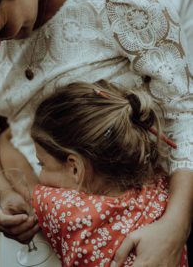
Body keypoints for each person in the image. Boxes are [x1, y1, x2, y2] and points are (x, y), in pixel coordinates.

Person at [0, 0, 192, 266]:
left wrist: (175, 227)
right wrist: (6, 193)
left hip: (139, 220)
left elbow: (185, 113)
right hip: (36, 222)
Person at [27, 80, 188, 266]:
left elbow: (34, 196)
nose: (41, 175)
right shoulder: (163, 186)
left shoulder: (62, 210)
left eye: (42, 164)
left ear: (75, 168)